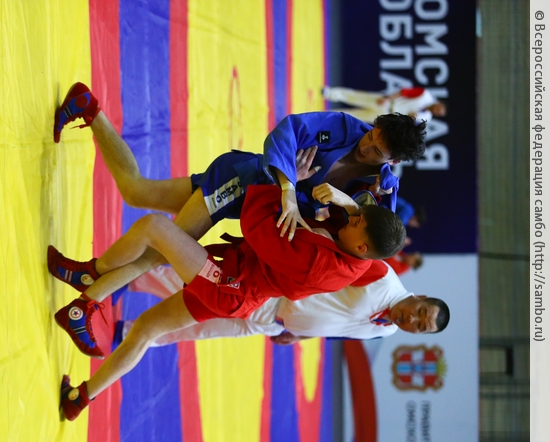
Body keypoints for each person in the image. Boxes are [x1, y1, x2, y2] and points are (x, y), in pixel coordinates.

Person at [49, 82, 423, 340]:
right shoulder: (344, 128)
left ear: (393, 161)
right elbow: (288, 131)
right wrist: (289, 188)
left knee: (137, 191)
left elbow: (364, 241)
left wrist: (344, 204)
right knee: (158, 251)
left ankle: (88, 107)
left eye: (376, 151)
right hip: (246, 183)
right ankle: (87, 295)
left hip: (261, 208)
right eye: (370, 136)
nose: (364, 146)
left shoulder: (382, 193)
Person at [54, 183, 405, 421]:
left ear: (362, 246)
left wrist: (283, 187)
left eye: (356, 221)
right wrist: (350, 203)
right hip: (240, 288)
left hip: (231, 286)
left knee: (155, 227)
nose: (351, 219)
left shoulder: (323, 264)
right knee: (146, 329)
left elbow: (258, 229)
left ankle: (86, 292)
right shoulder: (359, 259)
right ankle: (79, 399)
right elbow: (358, 233)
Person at [114, 260, 449, 347]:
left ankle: (129, 335)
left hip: (273, 324)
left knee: (200, 331)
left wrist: (301, 335)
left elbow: (341, 329)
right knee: (195, 287)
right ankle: (130, 277)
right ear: (419, 296)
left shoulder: (387, 332)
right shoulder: (382, 276)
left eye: (420, 327)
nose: (413, 320)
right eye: (420, 312)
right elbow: (333, 258)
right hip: (272, 296)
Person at [322, 85, 446, 125]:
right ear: (438, 103)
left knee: (354, 116)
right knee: (356, 97)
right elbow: (405, 91)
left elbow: (408, 125)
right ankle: (330, 93)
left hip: (387, 116)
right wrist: (387, 98)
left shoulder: (426, 118)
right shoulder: (425, 95)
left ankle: (326, 115)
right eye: (438, 109)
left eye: (438, 113)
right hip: (387, 103)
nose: (436, 111)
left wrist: (410, 118)